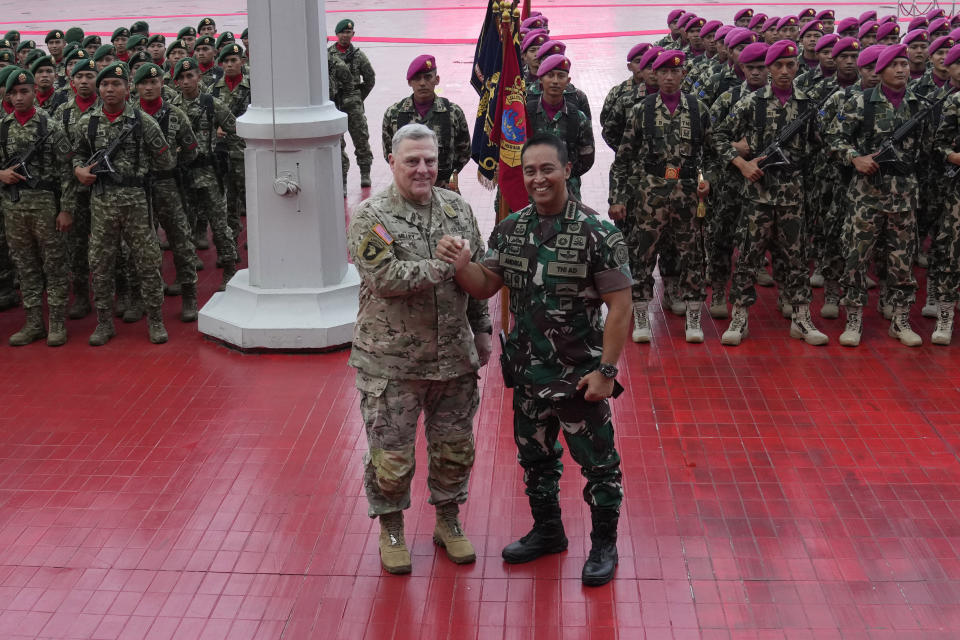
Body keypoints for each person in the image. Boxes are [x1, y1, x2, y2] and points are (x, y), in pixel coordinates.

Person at [440, 132, 631, 586]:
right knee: (536, 460)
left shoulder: (598, 232)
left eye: (548, 168)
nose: (539, 178)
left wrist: (606, 372)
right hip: (526, 374)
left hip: (579, 377)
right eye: (530, 171)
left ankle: (604, 545)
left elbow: (621, 307)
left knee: (599, 466)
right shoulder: (511, 229)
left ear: (567, 169)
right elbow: (486, 285)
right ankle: (548, 532)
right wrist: (460, 264)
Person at [346, 123, 491, 575]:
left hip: (453, 361)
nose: (423, 169)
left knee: (454, 451)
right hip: (392, 366)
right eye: (412, 161)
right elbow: (384, 279)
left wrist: (482, 327)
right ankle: (392, 529)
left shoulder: (459, 210)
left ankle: (448, 521)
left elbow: (478, 276)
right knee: (391, 459)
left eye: (430, 160)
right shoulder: (373, 217)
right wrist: (445, 265)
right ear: (393, 163)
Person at [715, 39, 828, 346]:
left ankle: (802, 318)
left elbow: (821, 144)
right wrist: (742, 164)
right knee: (748, 257)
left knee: (796, 258)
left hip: (792, 193)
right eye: (777, 65)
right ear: (767, 68)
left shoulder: (807, 104)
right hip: (758, 194)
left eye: (790, 65)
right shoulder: (752, 102)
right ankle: (739, 317)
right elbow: (717, 137)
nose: (784, 71)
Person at [826, 44, 927, 347]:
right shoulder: (861, 102)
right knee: (857, 257)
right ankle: (854, 319)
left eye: (904, 64)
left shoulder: (918, 105)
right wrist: (855, 157)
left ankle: (900, 320)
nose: (901, 69)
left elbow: (926, 148)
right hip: (867, 196)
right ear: (880, 70)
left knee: (901, 260)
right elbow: (834, 137)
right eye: (894, 64)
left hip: (904, 195)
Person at [608, 50, 712, 344]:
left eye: (674, 72)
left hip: (688, 193)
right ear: (655, 73)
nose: (668, 77)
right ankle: (641, 315)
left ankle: (693, 317)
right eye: (663, 71)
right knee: (642, 256)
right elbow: (623, 160)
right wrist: (617, 198)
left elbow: (714, 154)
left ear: (683, 74)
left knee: (692, 255)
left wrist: (709, 181)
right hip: (650, 195)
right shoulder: (642, 110)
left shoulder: (698, 109)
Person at [72, 61, 175, 346]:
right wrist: (79, 170)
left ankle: (155, 320)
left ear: (127, 89)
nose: (109, 89)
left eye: (116, 84)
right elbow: (77, 154)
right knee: (101, 264)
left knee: (147, 262)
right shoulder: (88, 122)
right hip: (102, 204)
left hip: (136, 204)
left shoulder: (143, 121)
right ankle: (104, 323)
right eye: (104, 84)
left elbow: (165, 160)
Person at [0, 68, 75, 346]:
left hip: (45, 205)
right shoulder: (3, 127)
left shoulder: (50, 126)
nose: (19, 97)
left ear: (34, 92)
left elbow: (68, 170)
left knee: (54, 264)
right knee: (25, 266)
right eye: (14, 93)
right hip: (14, 207)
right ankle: (33, 322)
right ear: (7, 95)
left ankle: (56, 322)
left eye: (24, 91)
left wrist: (66, 209)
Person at [133, 62, 200, 322]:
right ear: (135, 86)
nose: (149, 87)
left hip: (169, 186)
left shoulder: (176, 115)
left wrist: (174, 163)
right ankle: (147, 296)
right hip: (139, 188)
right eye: (144, 83)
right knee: (142, 244)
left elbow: (191, 149)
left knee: (180, 241)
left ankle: (189, 296)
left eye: (154, 82)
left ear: (162, 83)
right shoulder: (130, 116)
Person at [171, 57, 240, 290]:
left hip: (209, 174)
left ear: (199, 77)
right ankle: (186, 275)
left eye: (190, 76)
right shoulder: (172, 108)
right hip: (184, 176)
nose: (186, 81)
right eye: (181, 77)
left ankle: (230, 269)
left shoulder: (211, 103)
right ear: (176, 81)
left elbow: (235, 129)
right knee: (184, 228)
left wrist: (230, 155)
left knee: (219, 225)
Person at [53, 57, 99, 320]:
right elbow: (62, 164)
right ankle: (82, 296)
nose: (84, 81)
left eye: (89, 76)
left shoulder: (113, 107)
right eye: (79, 77)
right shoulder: (63, 113)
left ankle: (124, 292)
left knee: (114, 246)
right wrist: (66, 206)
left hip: (108, 191)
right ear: (71, 81)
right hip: (76, 193)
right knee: (77, 247)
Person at [382, 55, 471, 191]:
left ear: (437, 79)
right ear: (409, 82)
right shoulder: (394, 114)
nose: (422, 83)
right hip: (407, 190)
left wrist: (443, 175)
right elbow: (390, 151)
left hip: (444, 190)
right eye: (417, 78)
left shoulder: (453, 112)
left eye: (428, 77)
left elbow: (464, 151)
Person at [525, 54, 594, 200]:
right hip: (532, 192)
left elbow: (587, 158)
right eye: (550, 75)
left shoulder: (578, 118)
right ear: (540, 79)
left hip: (568, 192)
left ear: (568, 81)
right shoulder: (525, 115)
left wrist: (563, 174)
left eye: (561, 76)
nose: (555, 81)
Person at [328, 19, 376, 188]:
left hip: (352, 101)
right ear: (337, 34)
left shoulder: (358, 55)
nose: (345, 35)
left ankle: (365, 172)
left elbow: (370, 78)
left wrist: (357, 96)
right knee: (338, 142)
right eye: (342, 32)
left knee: (361, 138)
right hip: (334, 102)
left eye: (348, 32)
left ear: (353, 34)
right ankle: (342, 180)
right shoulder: (329, 55)